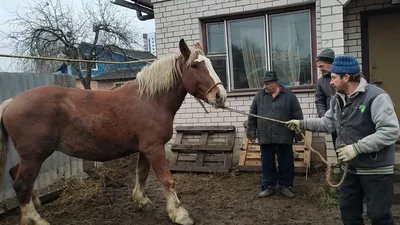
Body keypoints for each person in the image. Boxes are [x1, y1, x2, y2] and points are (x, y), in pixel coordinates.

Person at [286, 55, 399, 225]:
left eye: (333, 77)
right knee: (348, 214)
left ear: (346, 77)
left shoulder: (376, 97)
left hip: (375, 169)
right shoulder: (337, 99)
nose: (330, 82)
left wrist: (357, 148)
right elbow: (327, 122)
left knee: (379, 217)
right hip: (349, 168)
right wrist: (302, 123)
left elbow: (390, 131)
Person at [246, 71, 303, 199]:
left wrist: (299, 133)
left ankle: (285, 186)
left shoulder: (289, 95)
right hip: (266, 136)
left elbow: (297, 114)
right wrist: (251, 133)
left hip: (284, 136)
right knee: (267, 163)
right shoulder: (259, 96)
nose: (265, 87)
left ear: (275, 83)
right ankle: (268, 186)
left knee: (286, 162)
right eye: (264, 84)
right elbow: (252, 115)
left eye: (267, 84)